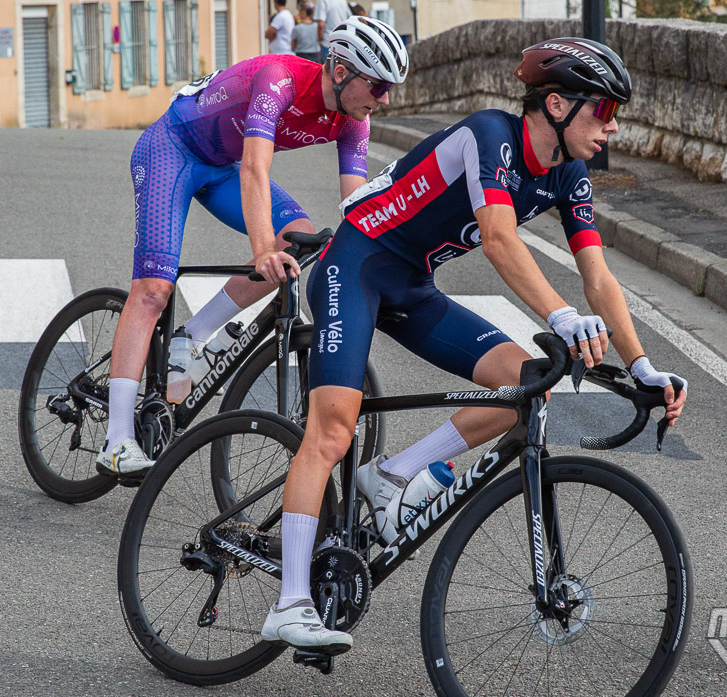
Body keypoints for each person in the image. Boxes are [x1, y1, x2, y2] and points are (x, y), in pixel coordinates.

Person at [260, 37, 689, 653]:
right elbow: (497, 238)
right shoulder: (491, 136)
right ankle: (291, 604)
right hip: (355, 267)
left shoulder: (569, 175)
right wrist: (561, 314)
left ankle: (393, 473)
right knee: (332, 432)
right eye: (604, 111)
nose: (612, 128)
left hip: (412, 286)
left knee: (528, 384)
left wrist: (644, 366)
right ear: (560, 105)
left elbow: (599, 277)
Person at [95, 17, 409, 476]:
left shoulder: (353, 122)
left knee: (298, 237)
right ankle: (117, 439)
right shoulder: (279, 78)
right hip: (174, 149)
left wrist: (381, 267)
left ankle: (192, 337)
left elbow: (356, 208)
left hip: (221, 163)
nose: (385, 99)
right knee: (153, 291)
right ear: (341, 73)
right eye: (379, 86)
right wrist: (262, 249)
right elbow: (254, 169)